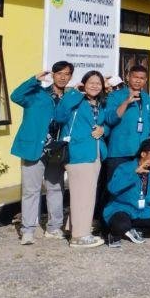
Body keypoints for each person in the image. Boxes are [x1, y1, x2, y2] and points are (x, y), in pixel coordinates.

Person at [10, 62, 73, 245]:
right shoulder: (37, 93)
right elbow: (15, 96)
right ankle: (28, 230)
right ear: (53, 74)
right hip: (33, 148)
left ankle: (54, 227)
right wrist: (33, 80)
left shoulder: (69, 98)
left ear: (70, 76)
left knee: (55, 188)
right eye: (59, 73)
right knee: (31, 190)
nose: (63, 77)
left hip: (56, 149)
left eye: (67, 74)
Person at [54, 70, 109, 248]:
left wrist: (103, 130)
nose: (94, 85)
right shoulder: (75, 100)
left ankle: (74, 227)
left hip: (95, 153)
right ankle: (80, 236)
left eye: (98, 83)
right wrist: (75, 93)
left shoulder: (99, 103)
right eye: (91, 82)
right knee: (82, 195)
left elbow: (105, 123)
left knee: (86, 194)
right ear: (83, 84)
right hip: (78, 153)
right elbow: (59, 116)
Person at [103, 139, 150, 248]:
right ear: (143, 154)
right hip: (122, 209)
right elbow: (112, 188)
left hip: (141, 211)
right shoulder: (125, 167)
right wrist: (134, 173)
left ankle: (134, 229)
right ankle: (113, 233)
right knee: (121, 225)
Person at [103, 65, 150, 185]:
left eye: (141, 78)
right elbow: (110, 119)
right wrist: (126, 102)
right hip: (119, 152)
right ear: (128, 77)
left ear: (146, 80)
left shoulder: (148, 99)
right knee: (115, 187)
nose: (138, 80)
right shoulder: (115, 96)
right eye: (135, 77)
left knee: (136, 188)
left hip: (140, 153)